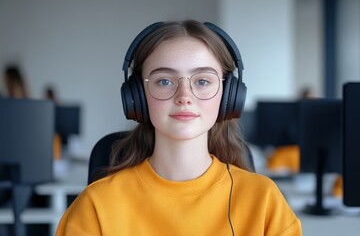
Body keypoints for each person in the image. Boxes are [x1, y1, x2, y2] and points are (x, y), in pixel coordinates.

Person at [56, 19, 302, 235]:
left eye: (203, 81)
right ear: (138, 96)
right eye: (164, 81)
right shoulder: (96, 206)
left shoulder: (264, 201)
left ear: (228, 95)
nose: (184, 96)